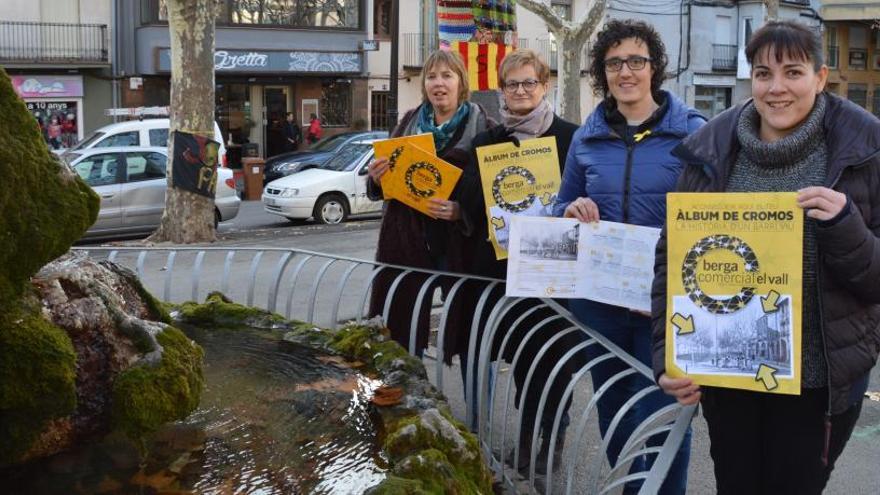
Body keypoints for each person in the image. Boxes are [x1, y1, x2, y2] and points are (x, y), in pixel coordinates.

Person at [652, 20, 880, 494]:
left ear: (820, 78)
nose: (776, 88)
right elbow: (670, 262)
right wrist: (666, 357)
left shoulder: (864, 152)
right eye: (762, 74)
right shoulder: (712, 152)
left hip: (816, 385)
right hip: (728, 375)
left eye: (793, 72)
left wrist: (844, 226)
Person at [552, 19, 705, 494]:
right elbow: (562, 205)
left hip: (665, 305)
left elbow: (711, 217)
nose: (626, 71)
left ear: (654, 67)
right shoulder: (588, 136)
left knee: (662, 418)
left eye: (636, 60)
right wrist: (572, 210)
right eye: (614, 62)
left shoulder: (693, 131)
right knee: (614, 412)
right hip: (601, 305)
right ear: (602, 71)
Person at [457, 48, 579, 473]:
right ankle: (527, 445)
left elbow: (582, 197)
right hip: (503, 273)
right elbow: (467, 203)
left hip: (554, 271)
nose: (521, 91)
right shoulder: (487, 141)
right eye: (513, 84)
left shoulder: (570, 136)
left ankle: (553, 445)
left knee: (552, 361)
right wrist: (494, 178)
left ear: (544, 86)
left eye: (529, 82)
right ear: (502, 91)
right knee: (524, 362)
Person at [365, 49, 493, 358]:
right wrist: (376, 178)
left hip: (459, 245)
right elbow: (380, 181)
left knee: (471, 335)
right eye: (432, 76)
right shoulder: (409, 121)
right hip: (406, 242)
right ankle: (407, 400)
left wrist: (461, 211)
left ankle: (476, 405)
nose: (439, 83)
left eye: (447, 75)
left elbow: (493, 194)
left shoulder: (482, 126)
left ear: (461, 82)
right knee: (400, 329)